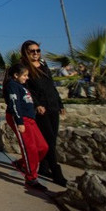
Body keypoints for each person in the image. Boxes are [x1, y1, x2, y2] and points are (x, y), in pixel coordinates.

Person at [20, 40, 68, 187]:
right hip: (41, 109)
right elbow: (26, 89)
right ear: (26, 53)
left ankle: (44, 168)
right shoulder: (25, 69)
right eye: (32, 51)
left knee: (51, 139)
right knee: (49, 140)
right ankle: (56, 172)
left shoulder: (44, 66)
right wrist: (36, 104)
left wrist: (60, 103)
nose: (35, 53)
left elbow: (51, 86)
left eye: (37, 50)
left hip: (52, 105)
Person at [4, 63, 49, 192]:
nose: (26, 78)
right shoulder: (12, 86)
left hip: (30, 119)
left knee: (42, 147)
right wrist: (19, 122)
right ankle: (31, 178)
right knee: (30, 149)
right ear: (16, 75)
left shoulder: (21, 86)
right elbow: (14, 104)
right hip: (21, 118)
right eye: (24, 75)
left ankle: (22, 164)